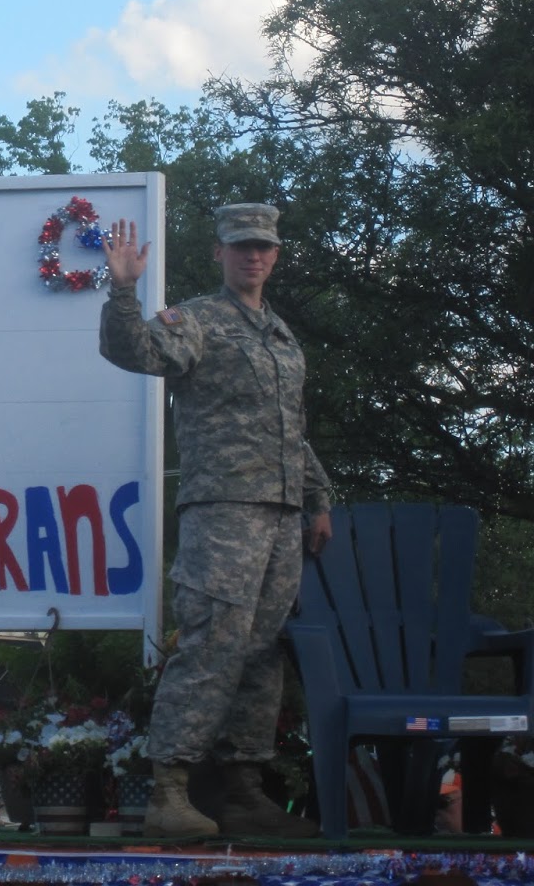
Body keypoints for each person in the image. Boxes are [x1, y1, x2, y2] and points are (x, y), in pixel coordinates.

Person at [99, 203, 331, 840]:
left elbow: (292, 427)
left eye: (263, 247)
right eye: (240, 247)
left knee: (260, 654)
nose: (253, 256)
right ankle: (169, 791)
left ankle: (244, 790)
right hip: (223, 511)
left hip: (282, 515)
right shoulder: (198, 320)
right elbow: (132, 349)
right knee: (211, 644)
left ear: (276, 256)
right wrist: (123, 290)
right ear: (219, 255)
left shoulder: (281, 336)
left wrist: (318, 497)